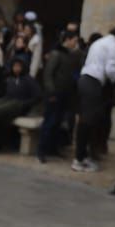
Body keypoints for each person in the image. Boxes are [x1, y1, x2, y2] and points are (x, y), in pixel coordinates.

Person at [73, 27, 115, 173]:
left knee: (86, 120)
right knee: (87, 122)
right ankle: (79, 159)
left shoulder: (98, 43)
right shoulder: (114, 46)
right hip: (93, 82)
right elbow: (110, 69)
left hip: (84, 80)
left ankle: (82, 156)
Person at [37, 30, 83, 163]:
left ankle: (53, 148)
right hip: (54, 95)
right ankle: (41, 150)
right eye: (74, 40)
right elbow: (48, 75)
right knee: (49, 122)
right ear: (67, 40)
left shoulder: (71, 55)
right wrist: (51, 92)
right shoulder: (56, 54)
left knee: (58, 123)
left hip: (65, 95)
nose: (76, 43)